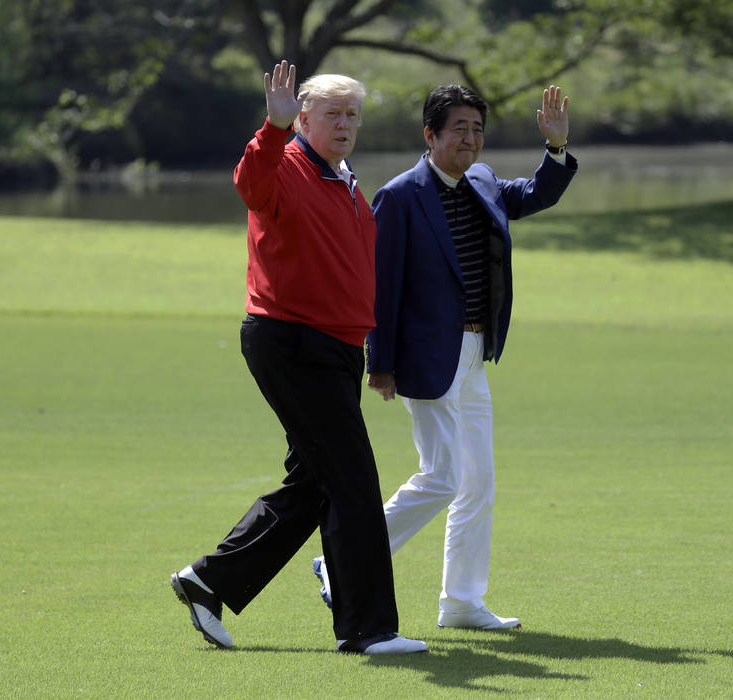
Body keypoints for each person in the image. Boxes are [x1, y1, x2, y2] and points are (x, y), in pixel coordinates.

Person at [170, 60, 426, 655]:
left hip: (335, 347)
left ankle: (210, 579)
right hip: (292, 340)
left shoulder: (345, 178)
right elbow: (249, 184)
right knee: (354, 481)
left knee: (316, 482)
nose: (345, 123)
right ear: (304, 116)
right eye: (332, 113)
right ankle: (368, 630)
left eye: (352, 114)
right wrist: (273, 128)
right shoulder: (283, 164)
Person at [313, 83, 577, 630]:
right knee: (444, 476)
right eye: (459, 128)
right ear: (430, 135)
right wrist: (378, 361)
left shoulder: (481, 181)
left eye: (477, 129)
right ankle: (339, 562)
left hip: (475, 350)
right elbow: (380, 288)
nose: (471, 139)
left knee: (478, 482)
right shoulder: (399, 195)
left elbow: (535, 194)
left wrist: (554, 149)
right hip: (423, 356)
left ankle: (461, 601)